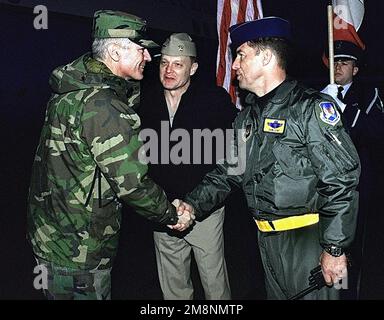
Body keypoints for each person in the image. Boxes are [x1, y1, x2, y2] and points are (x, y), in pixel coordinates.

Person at [178, 17, 361, 300]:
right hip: (265, 242)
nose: (235, 65)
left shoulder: (308, 108)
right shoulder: (247, 117)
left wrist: (334, 249)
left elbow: (341, 180)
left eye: (240, 55)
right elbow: (228, 172)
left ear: (265, 57)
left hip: (307, 242)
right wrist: (191, 205)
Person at [27, 10, 194, 300]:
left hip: (51, 237)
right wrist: (170, 214)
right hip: (79, 251)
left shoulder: (72, 90)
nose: (147, 57)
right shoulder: (104, 106)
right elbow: (132, 184)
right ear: (116, 51)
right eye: (141, 49)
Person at [138, 33, 236, 300]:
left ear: (192, 68)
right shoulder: (144, 100)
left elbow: (233, 156)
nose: (168, 70)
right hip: (162, 208)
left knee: (215, 287)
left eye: (177, 64)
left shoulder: (214, 101)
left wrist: (195, 204)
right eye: (164, 63)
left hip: (203, 211)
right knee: (174, 288)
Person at [322, 40, 384, 299]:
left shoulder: (368, 94)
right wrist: (323, 102)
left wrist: (343, 109)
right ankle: (330, 292)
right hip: (324, 184)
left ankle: (347, 295)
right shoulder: (320, 93)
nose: (338, 66)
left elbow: (375, 132)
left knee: (350, 247)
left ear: (355, 70)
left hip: (357, 187)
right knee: (325, 245)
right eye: (335, 60)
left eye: (344, 62)